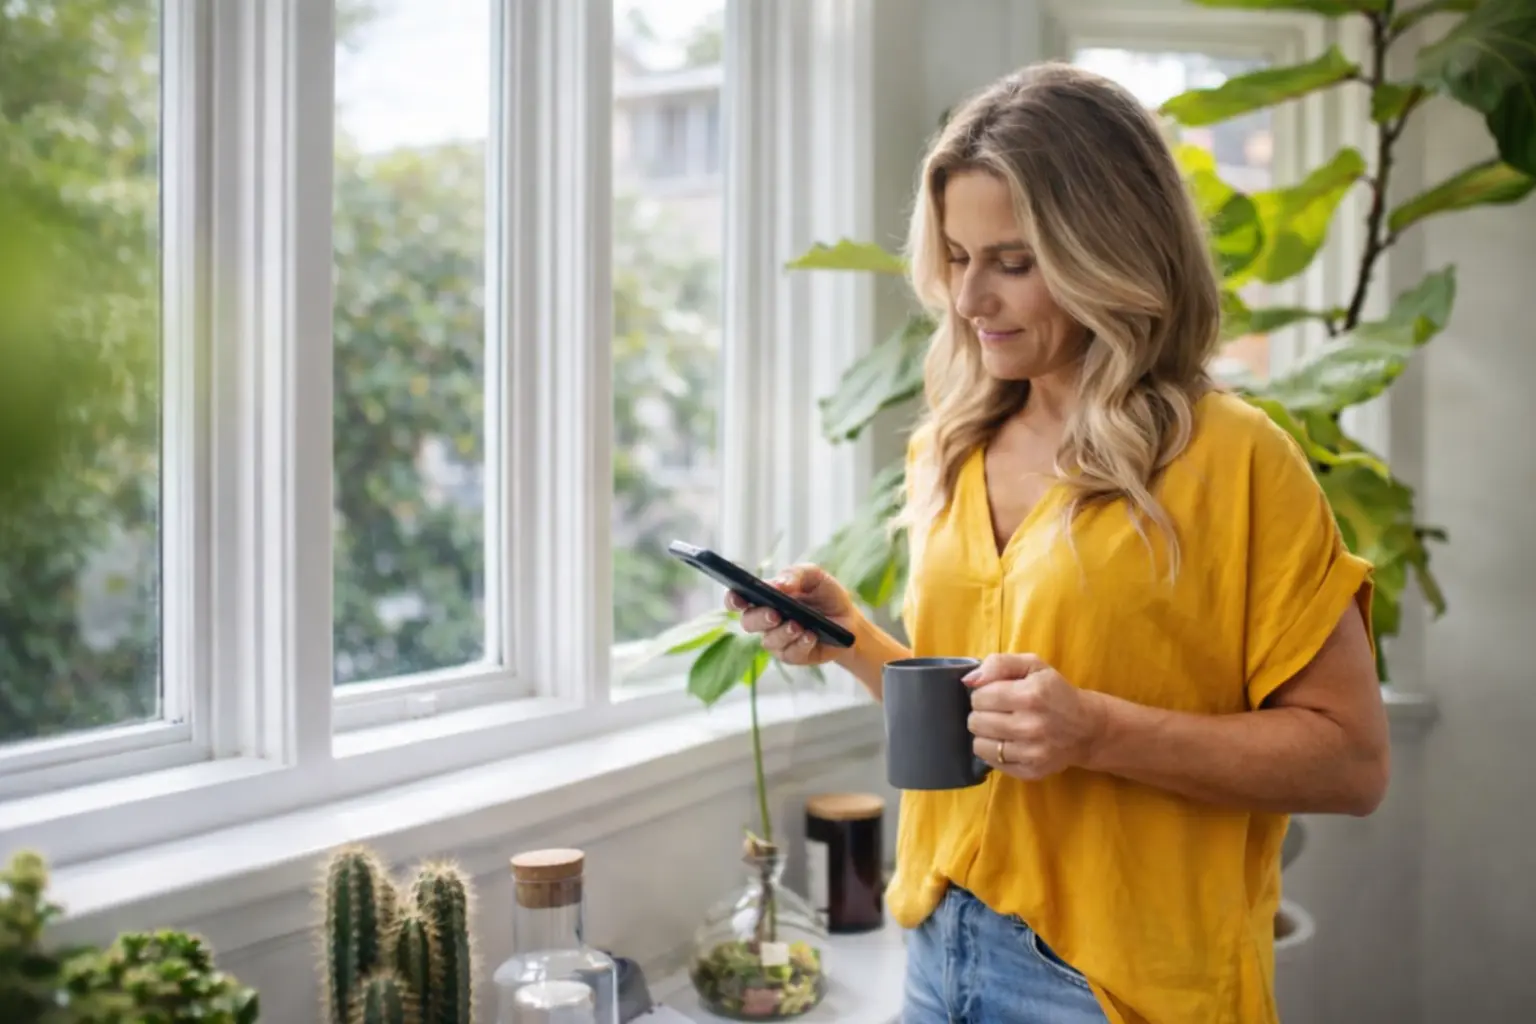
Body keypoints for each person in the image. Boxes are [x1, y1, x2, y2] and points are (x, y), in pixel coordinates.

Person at [726, 62, 1389, 1024]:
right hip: (939, 941)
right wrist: (853, 642)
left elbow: (1352, 764)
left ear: (1111, 248)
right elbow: (982, 718)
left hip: (1114, 985)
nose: (968, 299)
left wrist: (1096, 731)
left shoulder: (1238, 459)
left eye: (1013, 261)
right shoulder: (947, 447)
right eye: (956, 256)